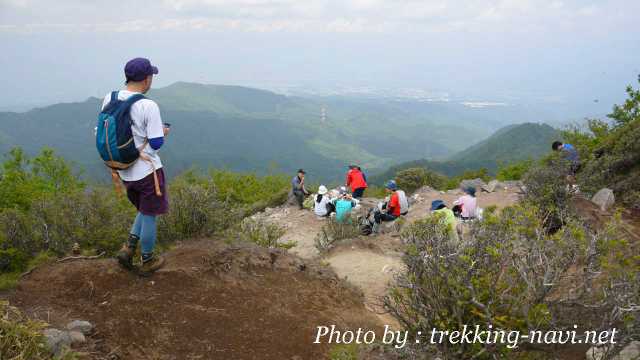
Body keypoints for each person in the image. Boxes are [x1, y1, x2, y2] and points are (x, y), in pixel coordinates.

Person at [111, 58, 168, 276]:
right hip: (147, 170)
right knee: (150, 214)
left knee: (144, 210)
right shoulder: (147, 105)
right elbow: (155, 143)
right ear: (147, 79)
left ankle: (128, 249)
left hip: (124, 169)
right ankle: (147, 259)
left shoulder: (111, 98)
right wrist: (162, 133)